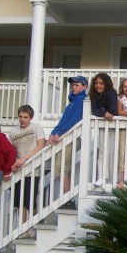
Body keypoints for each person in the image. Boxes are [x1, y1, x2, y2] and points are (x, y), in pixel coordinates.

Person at [47, 75, 87, 209]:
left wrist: (59, 133)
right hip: (64, 138)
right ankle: (67, 199)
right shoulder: (72, 102)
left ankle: (68, 200)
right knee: (63, 169)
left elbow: (74, 120)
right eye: (73, 85)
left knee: (60, 169)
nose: (73, 87)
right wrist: (53, 133)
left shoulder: (82, 100)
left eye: (77, 85)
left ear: (84, 86)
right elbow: (63, 121)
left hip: (70, 138)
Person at [10, 105, 46, 227]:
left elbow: (41, 146)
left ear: (31, 118)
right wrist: (13, 164)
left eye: (26, 117)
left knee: (30, 202)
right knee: (20, 203)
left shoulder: (36, 127)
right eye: (20, 117)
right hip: (18, 172)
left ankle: (34, 226)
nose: (22, 119)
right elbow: (11, 152)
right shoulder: (13, 131)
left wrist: (23, 159)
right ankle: (23, 229)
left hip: (32, 170)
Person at [89, 73, 118, 188]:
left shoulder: (111, 94)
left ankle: (111, 177)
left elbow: (113, 112)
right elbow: (94, 111)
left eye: (101, 83)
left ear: (106, 84)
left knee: (111, 152)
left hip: (113, 126)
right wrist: (103, 112)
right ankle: (101, 176)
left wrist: (104, 112)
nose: (98, 86)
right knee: (102, 151)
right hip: (103, 125)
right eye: (96, 83)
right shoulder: (94, 96)